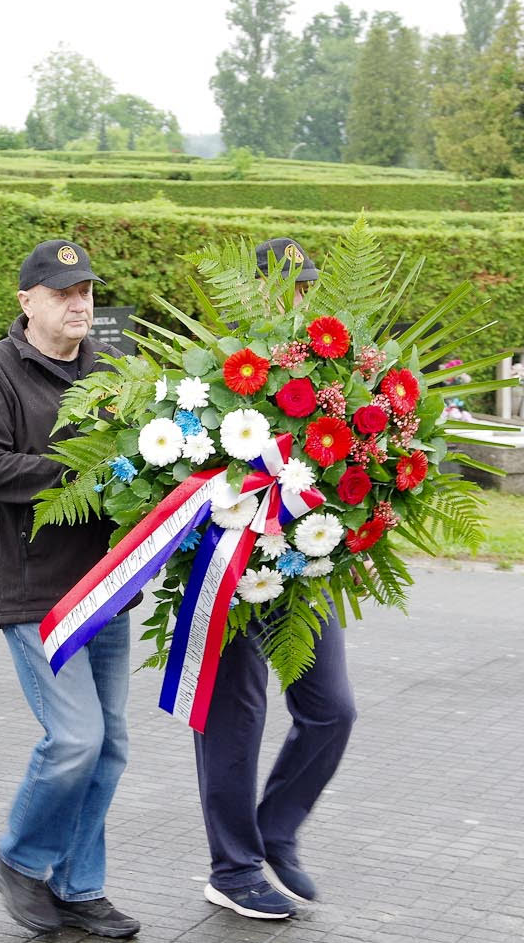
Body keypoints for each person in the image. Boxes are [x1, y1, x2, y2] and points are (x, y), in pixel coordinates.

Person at [0, 239, 139, 939]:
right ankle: (19, 859)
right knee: (74, 738)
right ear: (26, 300)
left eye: (86, 290)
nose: (79, 302)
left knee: (110, 744)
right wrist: (84, 476)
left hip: (106, 585)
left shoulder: (112, 372)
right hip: (37, 591)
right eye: (63, 291)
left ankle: (79, 885)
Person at [193, 236, 356, 920]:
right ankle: (231, 867)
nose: (300, 299)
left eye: (307, 286)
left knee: (331, 707)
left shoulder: (332, 369)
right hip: (226, 565)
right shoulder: (211, 367)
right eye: (289, 286)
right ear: (253, 289)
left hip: (298, 565)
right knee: (236, 718)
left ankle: (275, 829)